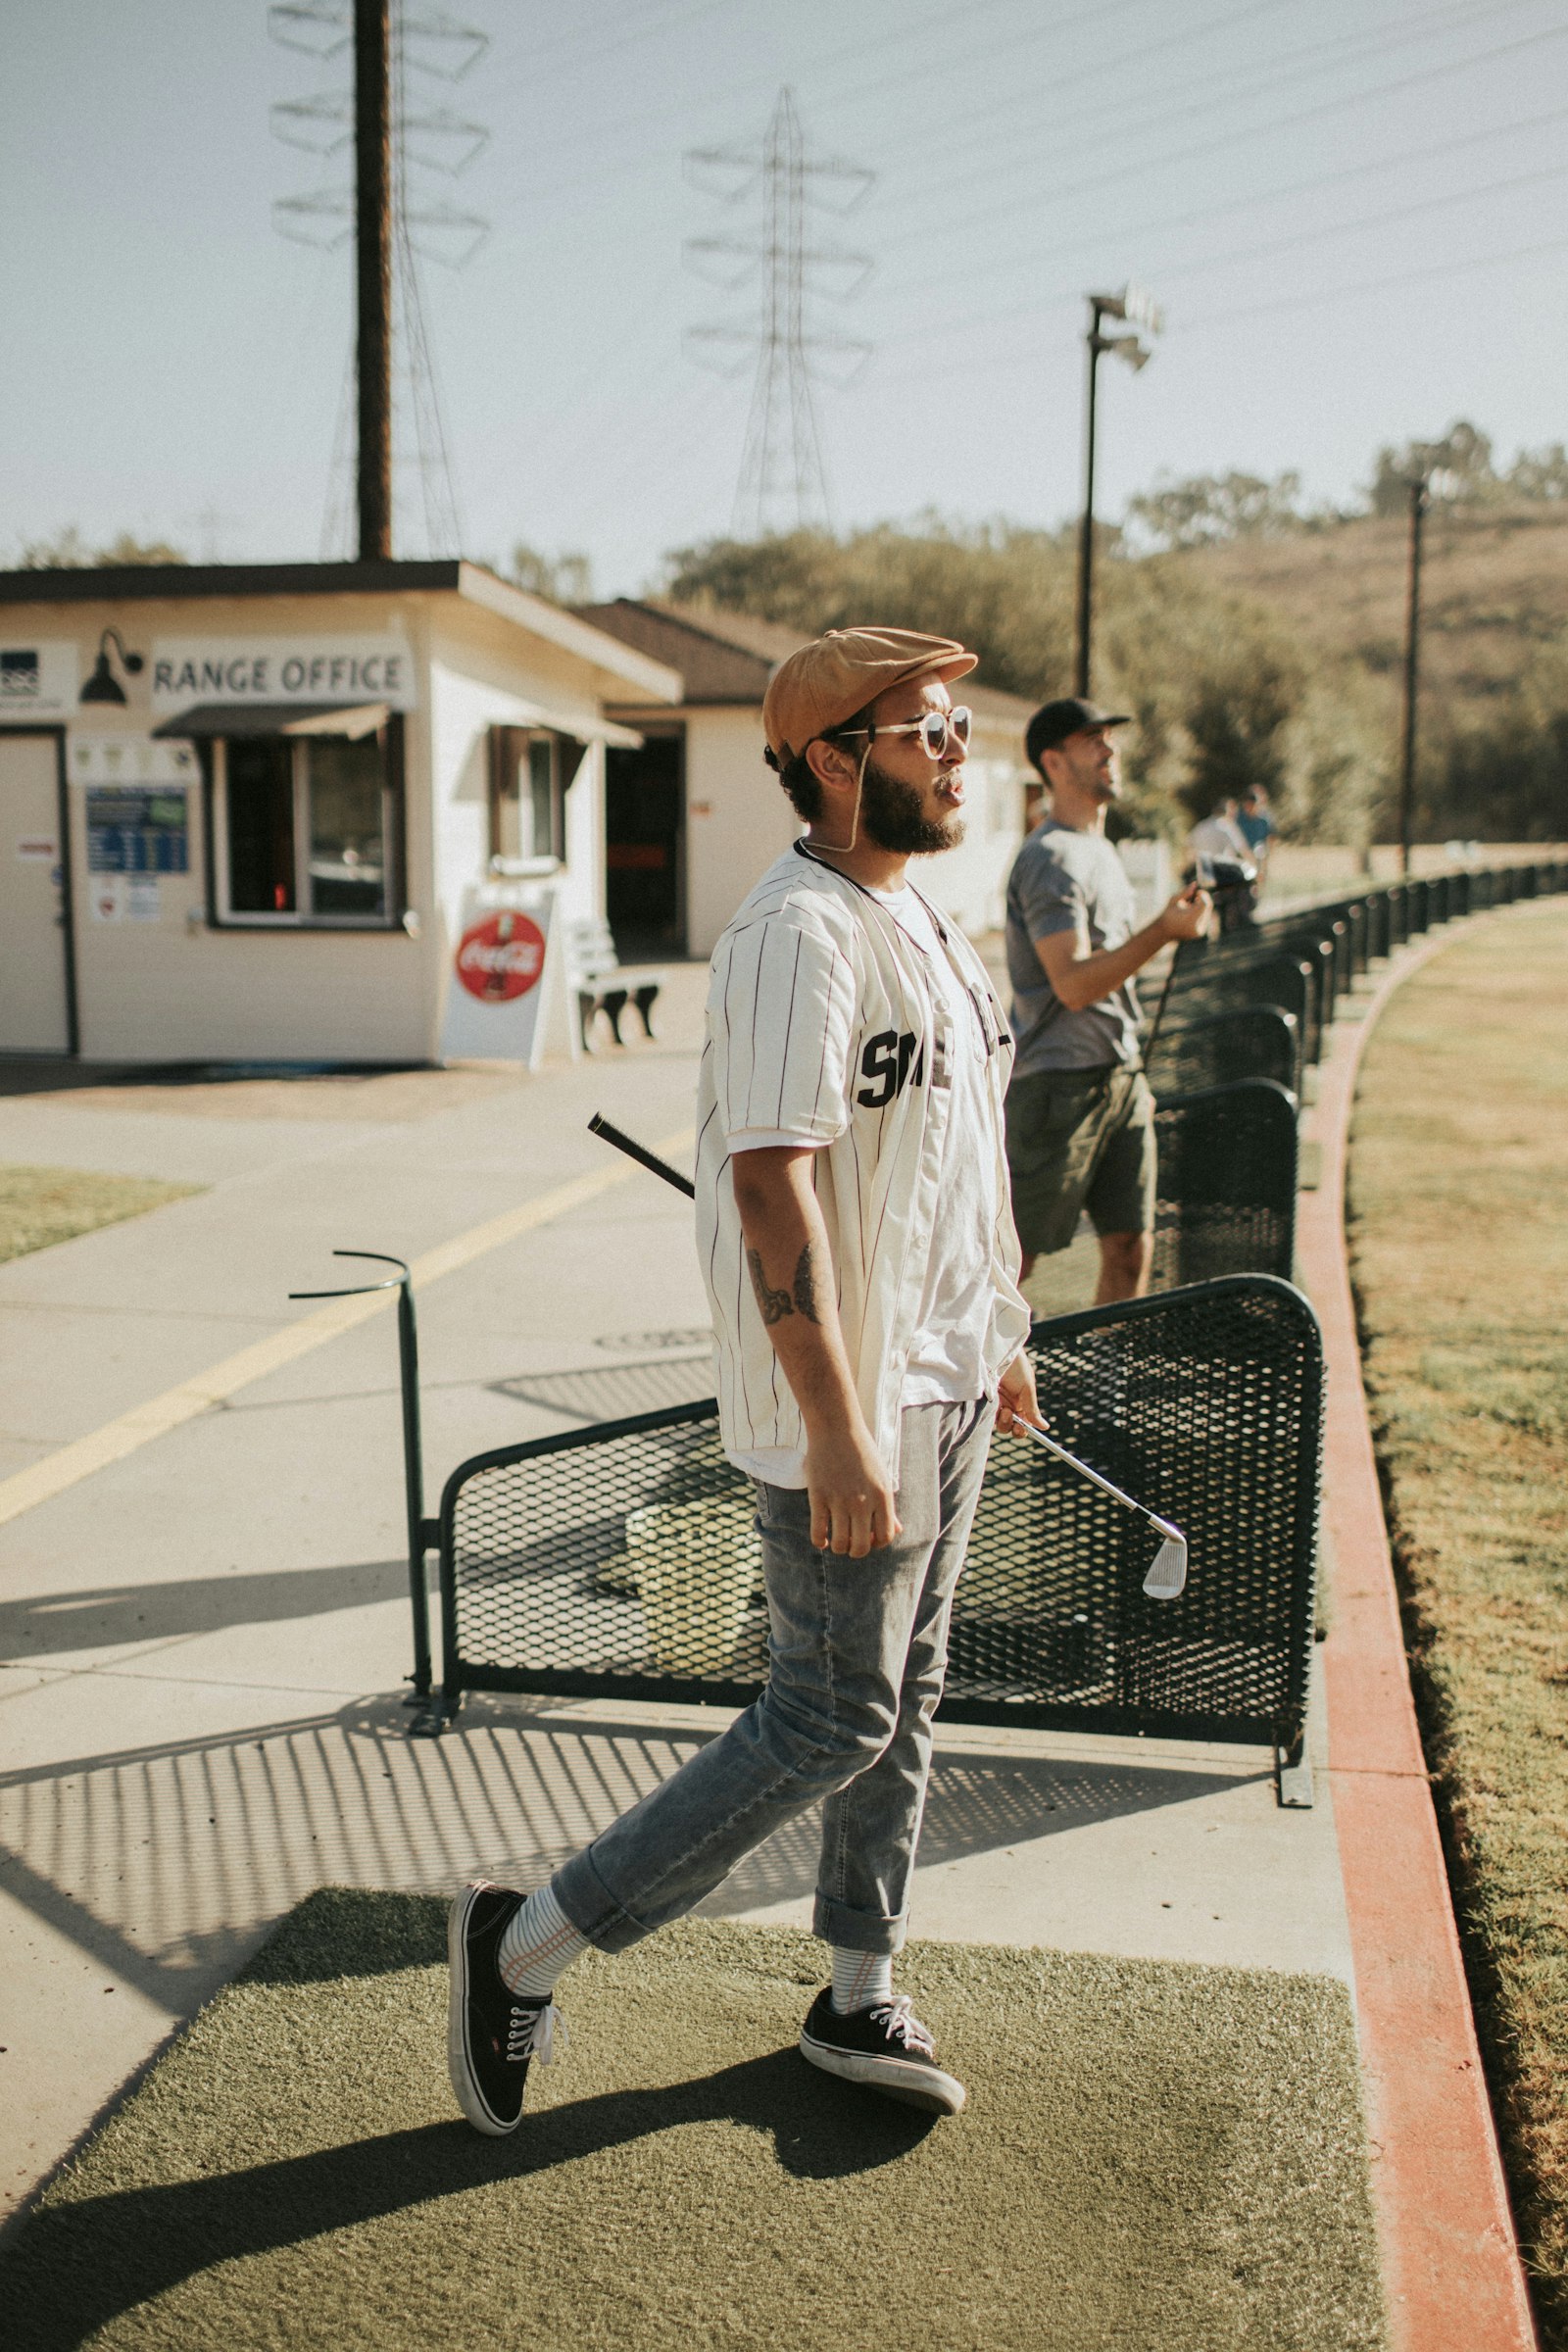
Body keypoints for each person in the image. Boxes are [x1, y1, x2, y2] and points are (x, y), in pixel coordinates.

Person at [449, 627, 1044, 2135]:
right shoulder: (796, 933)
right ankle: (522, 1947)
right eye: (924, 731)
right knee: (828, 1715)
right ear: (832, 763)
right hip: (849, 1398)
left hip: (950, 1371)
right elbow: (774, 1191)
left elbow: (963, 1161)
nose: (960, 749)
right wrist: (841, 1428)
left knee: (906, 1696)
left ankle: (857, 1989)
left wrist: (1006, 1330)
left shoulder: (928, 921)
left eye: (958, 723)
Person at [1004, 697, 1209, 1301]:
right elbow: (1071, 984)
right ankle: (968, 1391)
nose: (1110, 750)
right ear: (1054, 762)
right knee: (1010, 1263)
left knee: (1130, 1248)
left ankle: (1106, 1393)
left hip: (1121, 1077)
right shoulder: (1050, 858)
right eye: (1093, 740)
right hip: (1057, 1086)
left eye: (1109, 738)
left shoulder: (1100, 849)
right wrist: (1164, 932)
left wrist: (1177, 926)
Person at [1185, 797, 1257, 933]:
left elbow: (1189, 848)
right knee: (1243, 883)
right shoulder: (1226, 826)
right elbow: (1243, 850)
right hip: (1222, 873)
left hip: (1203, 871)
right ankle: (1242, 921)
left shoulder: (1201, 826)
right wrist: (1255, 869)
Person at [1236, 785, 1277, 886]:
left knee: (1260, 851)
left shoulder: (1264, 818)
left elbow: (1271, 837)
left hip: (1258, 853)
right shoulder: (1238, 818)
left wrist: (1269, 855)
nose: (1250, 808)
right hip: (1242, 852)